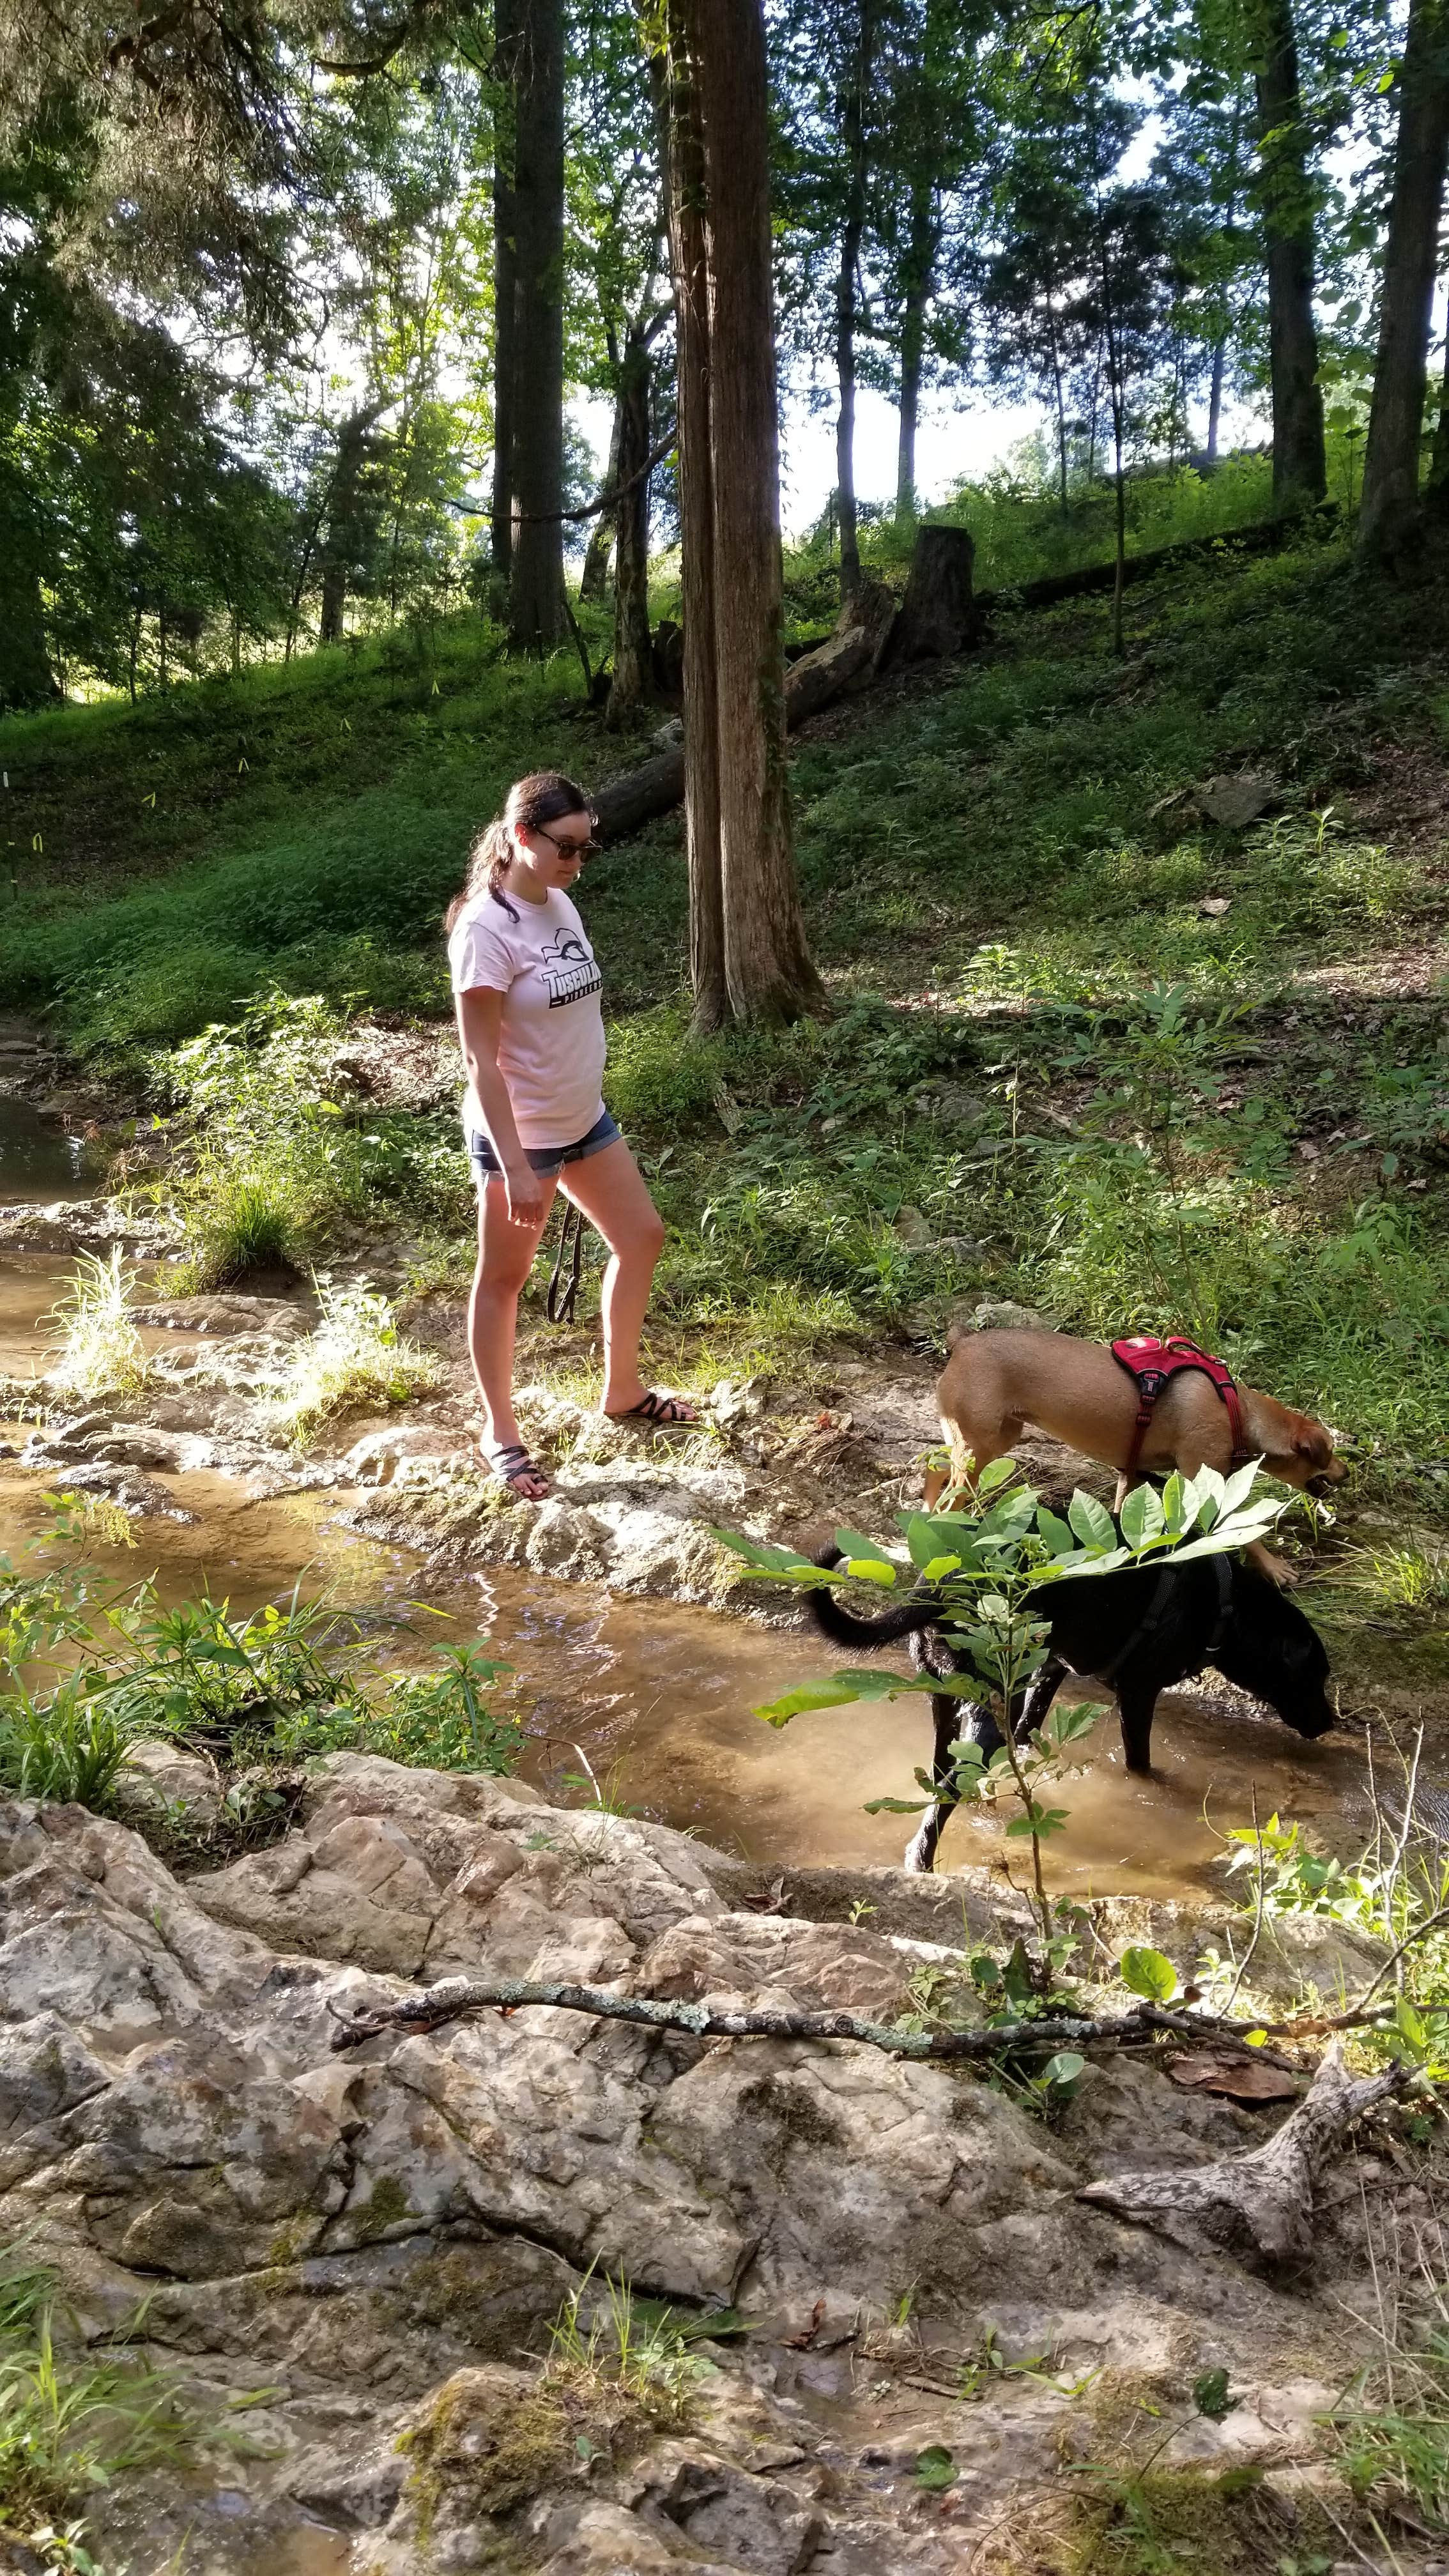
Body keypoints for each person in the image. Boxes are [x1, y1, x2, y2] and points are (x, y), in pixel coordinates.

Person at [447, 769, 696, 1499]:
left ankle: (622, 1390)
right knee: (504, 1280)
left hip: (584, 1117)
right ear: (522, 836)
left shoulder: (558, 905)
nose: (576, 864)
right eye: (565, 847)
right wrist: (519, 1167)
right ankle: (500, 1433)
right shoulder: (484, 931)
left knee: (642, 1235)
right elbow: (480, 1061)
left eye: (587, 849)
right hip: (521, 1135)